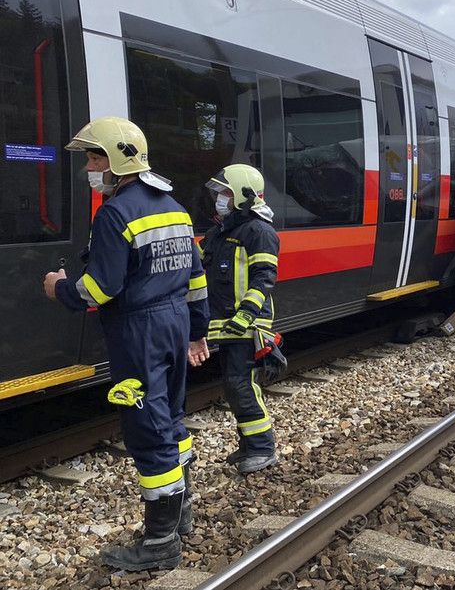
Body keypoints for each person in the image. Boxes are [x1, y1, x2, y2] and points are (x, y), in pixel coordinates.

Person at [42, 117, 209, 571]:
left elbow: (101, 288)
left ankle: (160, 543)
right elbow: (196, 280)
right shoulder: (174, 207)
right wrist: (197, 330)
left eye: (94, 159)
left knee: (148, 432)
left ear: (117, 161)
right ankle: (182, 514)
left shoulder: (115, 213)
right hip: (175, 325)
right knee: (170, 419)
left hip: (139, 333)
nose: (89, 169)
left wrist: (59, 287)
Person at [199, 164, 281, 474]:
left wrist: (246, 313)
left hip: (249, 325)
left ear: (243, 195)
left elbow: (264, 277)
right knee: (234, 385)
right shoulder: (221, 232)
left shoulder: (259, 231)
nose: (219, 198)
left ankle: (262, 448)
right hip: (227, 324)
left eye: (225, 192)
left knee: (241, 385)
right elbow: (197, 264)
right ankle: (249, 445)